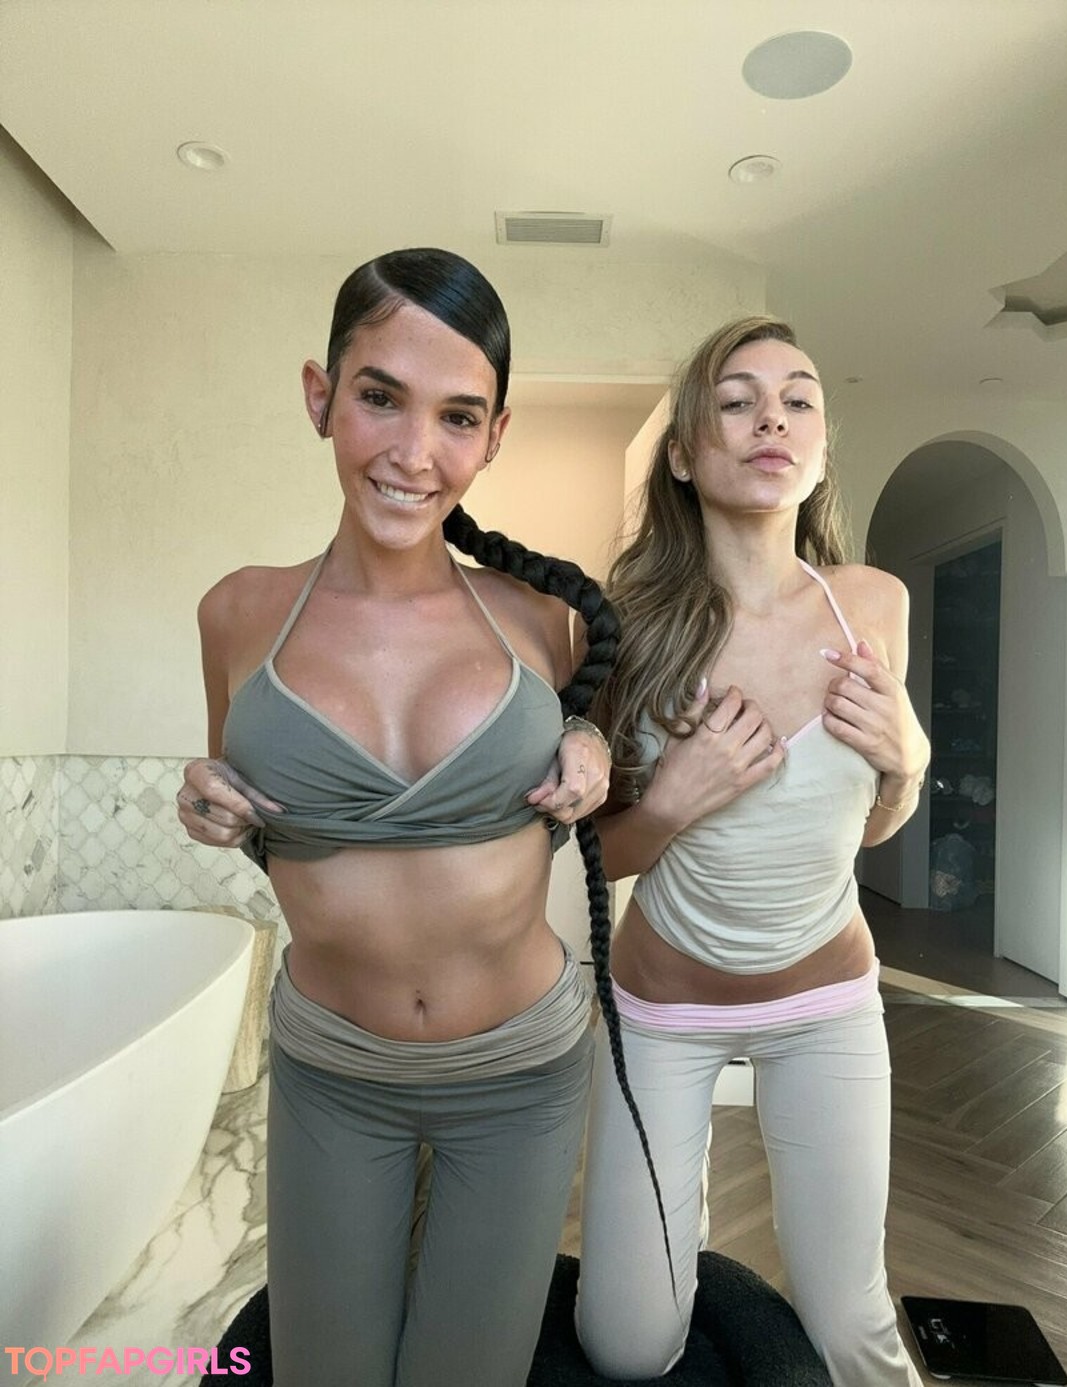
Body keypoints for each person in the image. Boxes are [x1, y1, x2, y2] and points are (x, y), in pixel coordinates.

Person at [175, 248, 660, 1387]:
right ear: (320, 397)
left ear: (495, 438)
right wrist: (207, 799)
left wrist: (591, 750)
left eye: (457, 417)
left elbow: (592, 767)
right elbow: (248, 806)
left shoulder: (541, 617)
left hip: (523, 1069)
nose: (413, 451)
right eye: (380, 396)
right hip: (332, 1069)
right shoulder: (238, 611)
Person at [574, 315, 930, 1386]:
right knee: (629, 1345)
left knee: (850, 1331)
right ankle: (673, 1274)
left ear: (818, 446)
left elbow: (867, 826)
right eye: (737, 400)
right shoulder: (624, 625)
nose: (773, 417)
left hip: (826, 1004)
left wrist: (909, 762)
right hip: (662, 1011)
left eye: (798, 398)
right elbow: (594, 854)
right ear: (686, 452)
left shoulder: (871, 606)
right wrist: (674, 801)